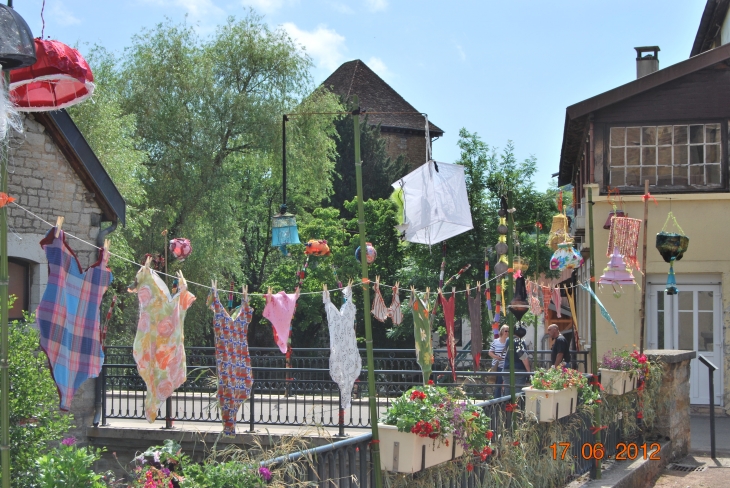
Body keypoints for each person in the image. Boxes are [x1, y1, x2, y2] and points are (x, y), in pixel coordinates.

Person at [501, 326, 531, 392]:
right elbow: (523, 357)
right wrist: (529, 371)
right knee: (517, 392)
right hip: (518, 370)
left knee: (508, 392)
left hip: (507, 368)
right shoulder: (519, 341)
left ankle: (508, 402)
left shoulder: (508, 340)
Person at [488, 325, 509, 398]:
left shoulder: (509, 342)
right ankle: (497, 401)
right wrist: (496, 357)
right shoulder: (496, 341)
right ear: (502, 331)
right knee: (498, 384)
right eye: (506, 331)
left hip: (506, 366)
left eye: (508, 331)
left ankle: (503, 400)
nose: (507, 332)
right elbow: (490, 352)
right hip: (497, 366)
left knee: (506, 385)